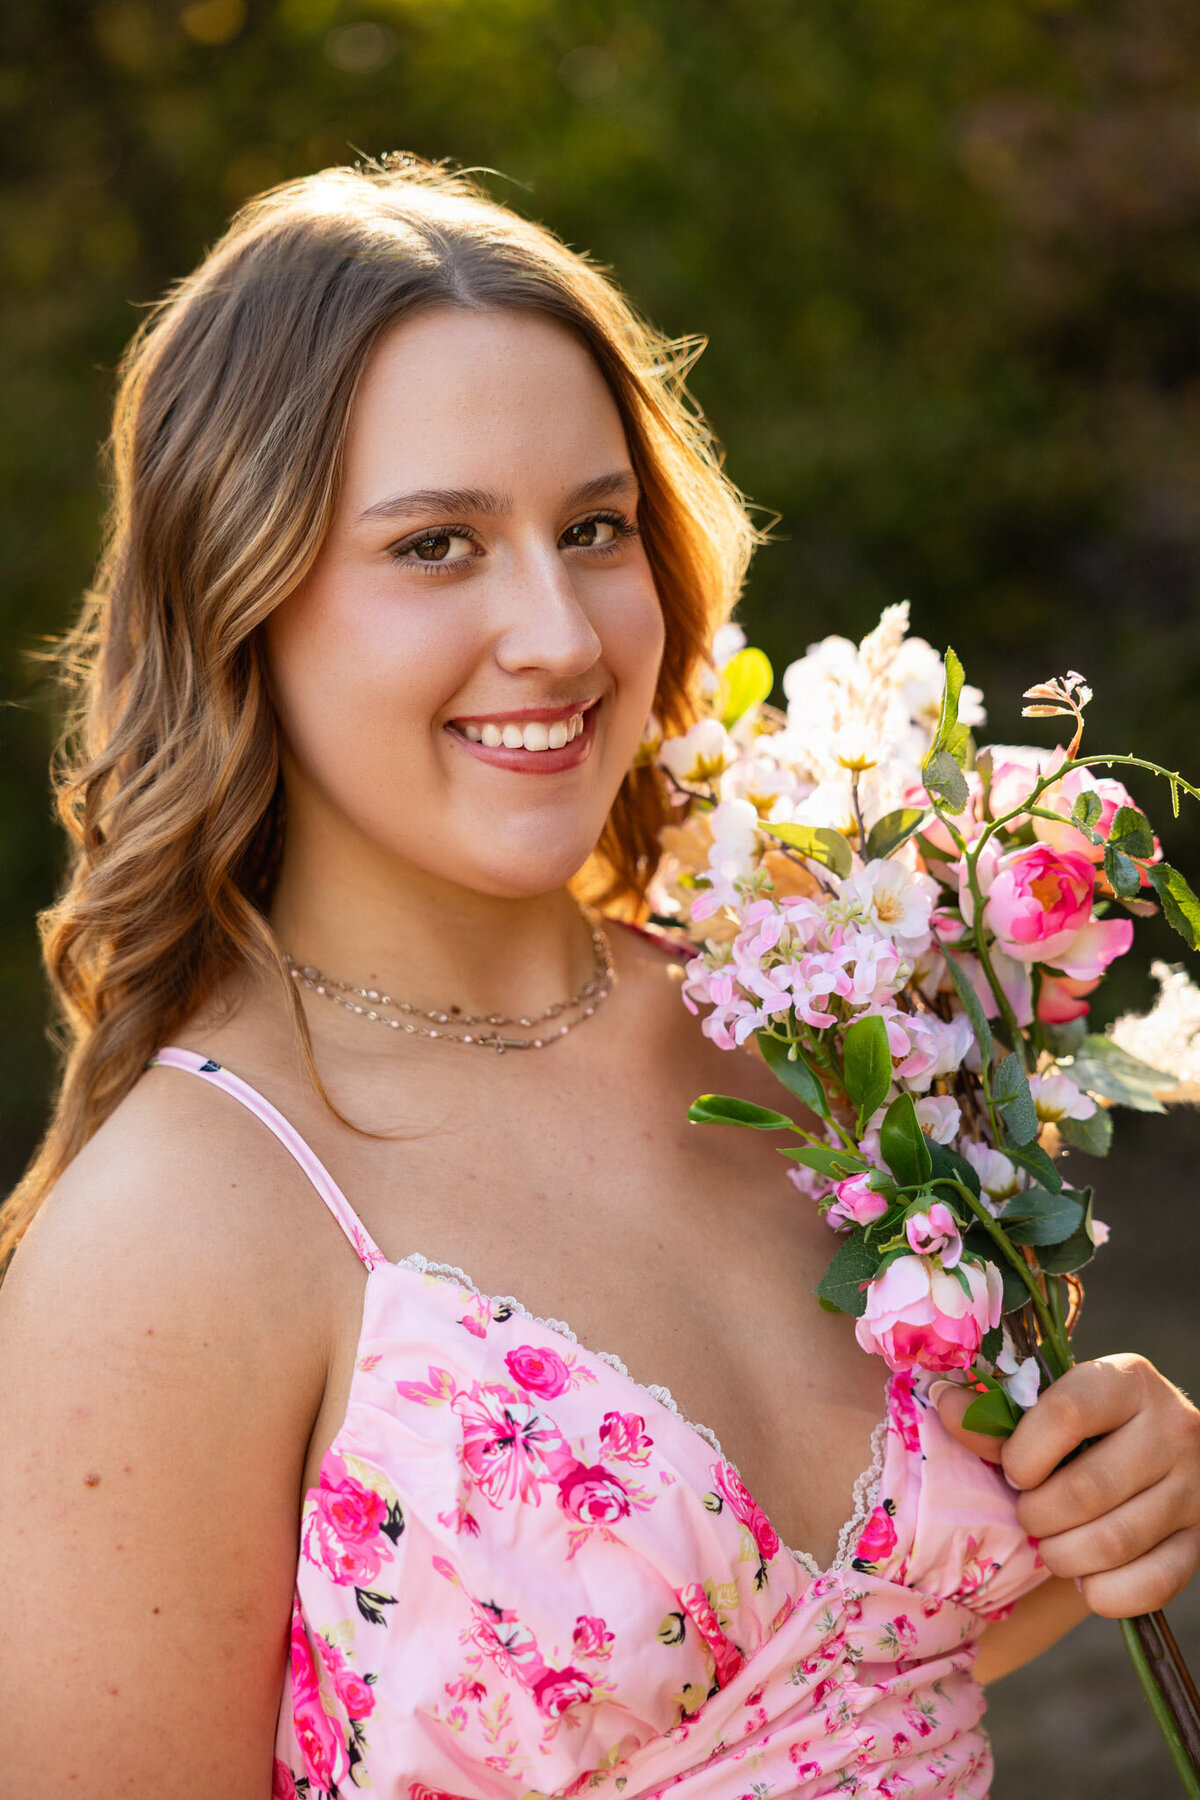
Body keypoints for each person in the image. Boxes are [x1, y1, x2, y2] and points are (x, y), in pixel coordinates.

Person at [0, 156, 1196, 1800]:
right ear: (240, 600)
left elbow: (844, 1684)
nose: (558, 633)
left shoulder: (806, 1028)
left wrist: (1103, 1499)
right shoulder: (177, 1237)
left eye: (593, 528)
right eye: (437, 546)